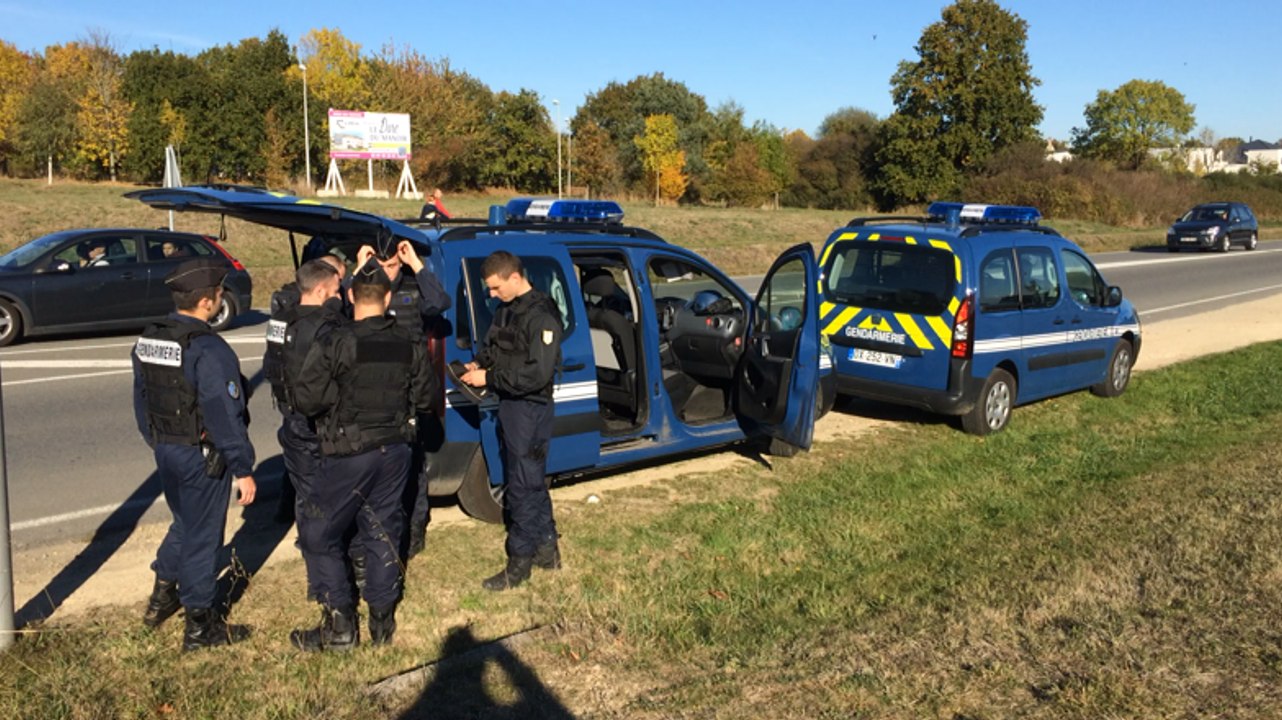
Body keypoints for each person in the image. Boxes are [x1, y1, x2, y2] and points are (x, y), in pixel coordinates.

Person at [290, 259, 437, 651]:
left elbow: (306, 400)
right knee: (382, 529)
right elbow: (426, 399)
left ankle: (340, 627)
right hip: (396, 451)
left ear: (351, 296)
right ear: (387, 299)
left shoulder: (335, 341)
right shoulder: (409, 342)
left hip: (349, 453)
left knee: (317, 532)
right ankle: (381, 622)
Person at [132, 257, 257, 651]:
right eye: (219, 293)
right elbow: (224, 414)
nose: (220, 298)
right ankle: (200, 628)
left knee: (184, 524)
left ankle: (161, 598)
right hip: (202, 456)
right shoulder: (209, 349)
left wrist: (157, 441)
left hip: (167, 449)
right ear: (207, 301)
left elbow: (141, 398)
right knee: (203, 538)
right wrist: (242, 468)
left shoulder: (151, 339)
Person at [460, 250, 563, 591]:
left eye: (495, 287)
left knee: (521, 485)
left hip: (531, 408)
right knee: (529, 479)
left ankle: (519, 563)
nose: (492, 294)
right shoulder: (506, 309)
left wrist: (489, 378)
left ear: (515, 278)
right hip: (511, 405)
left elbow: (537, 374)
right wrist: (478, 364)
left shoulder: (541, 316)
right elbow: (495, 346)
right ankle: (547, 549)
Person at [355, 230, 450, 559]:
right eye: (381, 265)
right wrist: (359, 269)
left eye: (393, 265)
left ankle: (415, 528)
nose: (387, 272)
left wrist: (417, 265)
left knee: (413, 465)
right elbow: (341, 305)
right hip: (373, 389)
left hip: (409, 389)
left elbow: (440, 302)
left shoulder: (412, 286)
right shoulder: (367, 290)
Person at [271, 259, 347, 605]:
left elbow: (271, 368)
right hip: (321, 425)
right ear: (320, 291)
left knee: (306, 500)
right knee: (329, 502)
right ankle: (329, 579)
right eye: (335, 291)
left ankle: (316, 574)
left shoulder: (280, 321)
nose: (339, 298)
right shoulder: (328, 328)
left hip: (291, 421)